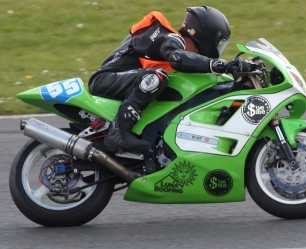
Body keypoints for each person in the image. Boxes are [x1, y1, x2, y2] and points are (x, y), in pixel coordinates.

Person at [88, 6, 247, 153]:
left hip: (124, 82)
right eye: (219, 44)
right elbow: (178, 58)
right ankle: (119, 131)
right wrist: (219, 64)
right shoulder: (171, 39)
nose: (218, 49)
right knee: (156, 77)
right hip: (105, 79)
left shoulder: (177, 46)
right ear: (207, 35)